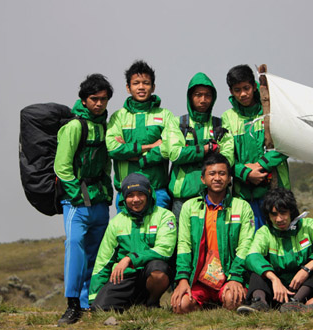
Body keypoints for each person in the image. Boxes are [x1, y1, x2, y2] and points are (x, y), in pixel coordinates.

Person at [54, 73, 114, 325]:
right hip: (77, 201)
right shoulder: (75, 126)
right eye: (94, 99)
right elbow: (62, 166)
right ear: (84, 99)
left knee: (96, 252)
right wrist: (78, 195)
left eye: (103, 99)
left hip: (99, 200)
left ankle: (88, 301)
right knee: (75, 247)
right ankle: (71, 306)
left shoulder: (105, 126)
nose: (99, 104)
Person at [170, 153, 255, 313]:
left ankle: (223, 298)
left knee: (232, 301)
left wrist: (236, 277)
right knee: (181, 306)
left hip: (229, 276)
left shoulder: (242, 207)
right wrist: (182, 279)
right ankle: (204, 301)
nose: (217, 178)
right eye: (212, 173)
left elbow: (246, 245)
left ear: (229, 178)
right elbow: (184, 245)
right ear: (203, 179)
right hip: (199, 279)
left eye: (222, 173)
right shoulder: (189, 207)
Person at [237, 188, 313, 313]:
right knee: (257, 267)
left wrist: (306, 269)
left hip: (304, 288)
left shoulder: (308, 225)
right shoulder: (265, 232)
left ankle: (296, 303)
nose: (279, 219)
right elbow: (251, 256)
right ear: (268, 215)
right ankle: (260, 303)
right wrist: (274, 279)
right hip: (277, 291)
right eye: (274, 214)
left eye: (283, 213)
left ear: (291, 211)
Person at [89, 173, 176, 311]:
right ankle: (133, 303)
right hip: (125, 276)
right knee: (98, 309)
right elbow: (103, 262)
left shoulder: (165, 216)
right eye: (130, 195)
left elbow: (164, 250)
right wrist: (93, 298)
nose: (135, 199)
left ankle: (151, 303)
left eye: (140, 194)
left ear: (149, 193)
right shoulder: (116, 222)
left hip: (150, 272)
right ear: (124, 197)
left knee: (159, 270)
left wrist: (130, 258)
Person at [222, 64, 290, 230]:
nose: (243, 94)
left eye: (246, 88)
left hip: (276, 188)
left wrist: (261, 166)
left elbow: (287, 143)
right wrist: (245, 173)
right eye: (237, 90)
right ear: (231, 92)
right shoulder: (228, 118)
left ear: (254, 86)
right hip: (244, 194)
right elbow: (226, 156)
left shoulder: (270, 109)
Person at [106, 60, 176, 211]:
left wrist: (132, 155)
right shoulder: (118, 117)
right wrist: (150, 146)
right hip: (126, 193)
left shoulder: (165, 116)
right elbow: (112, 149)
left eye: (146, 83)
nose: (141, 87)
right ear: (128, 87)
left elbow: (169, 148)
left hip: (157, 191)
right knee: (126, 235)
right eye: (136, 83)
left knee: (160, 234)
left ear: (153, 87)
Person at [167, 72, 234, 221]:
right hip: (181, 199)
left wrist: (189, 151)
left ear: (213, 98)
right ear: (190, 96)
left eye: (208, 95)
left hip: (213, 198)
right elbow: (175, 154)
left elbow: (227, 159)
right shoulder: (177, 123)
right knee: (181, 243)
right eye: (198, 95)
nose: (203, 100)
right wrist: (207, 149)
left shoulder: (221, 124)